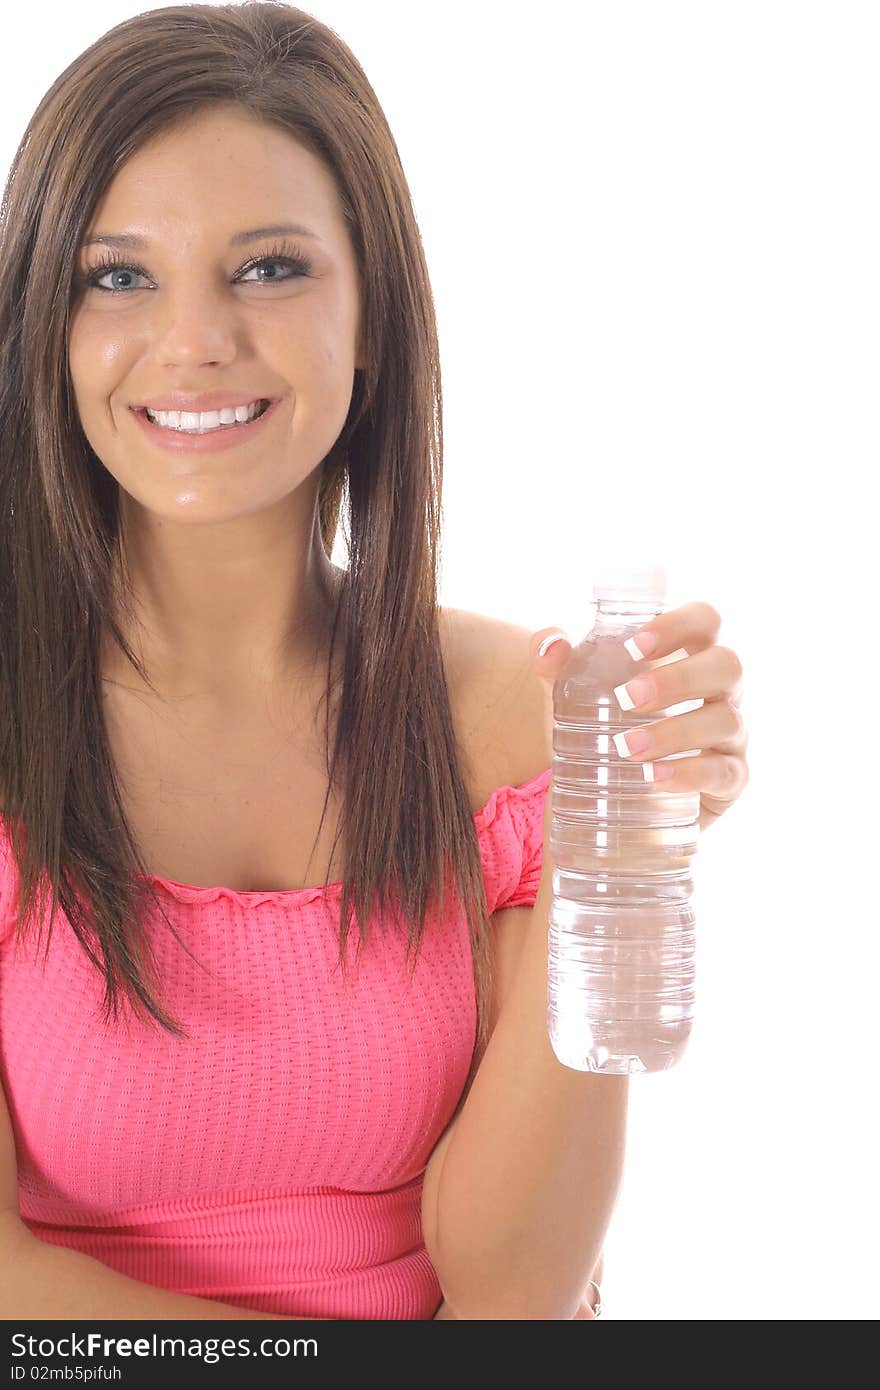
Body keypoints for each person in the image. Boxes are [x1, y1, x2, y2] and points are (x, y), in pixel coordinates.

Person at [0, 3, 749, 1322]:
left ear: (374, 319)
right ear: (41, 331)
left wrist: (616, 854)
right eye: (116, 275)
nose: (196, 341)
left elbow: (517, 1292)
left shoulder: (526, 714)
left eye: (269, 267)